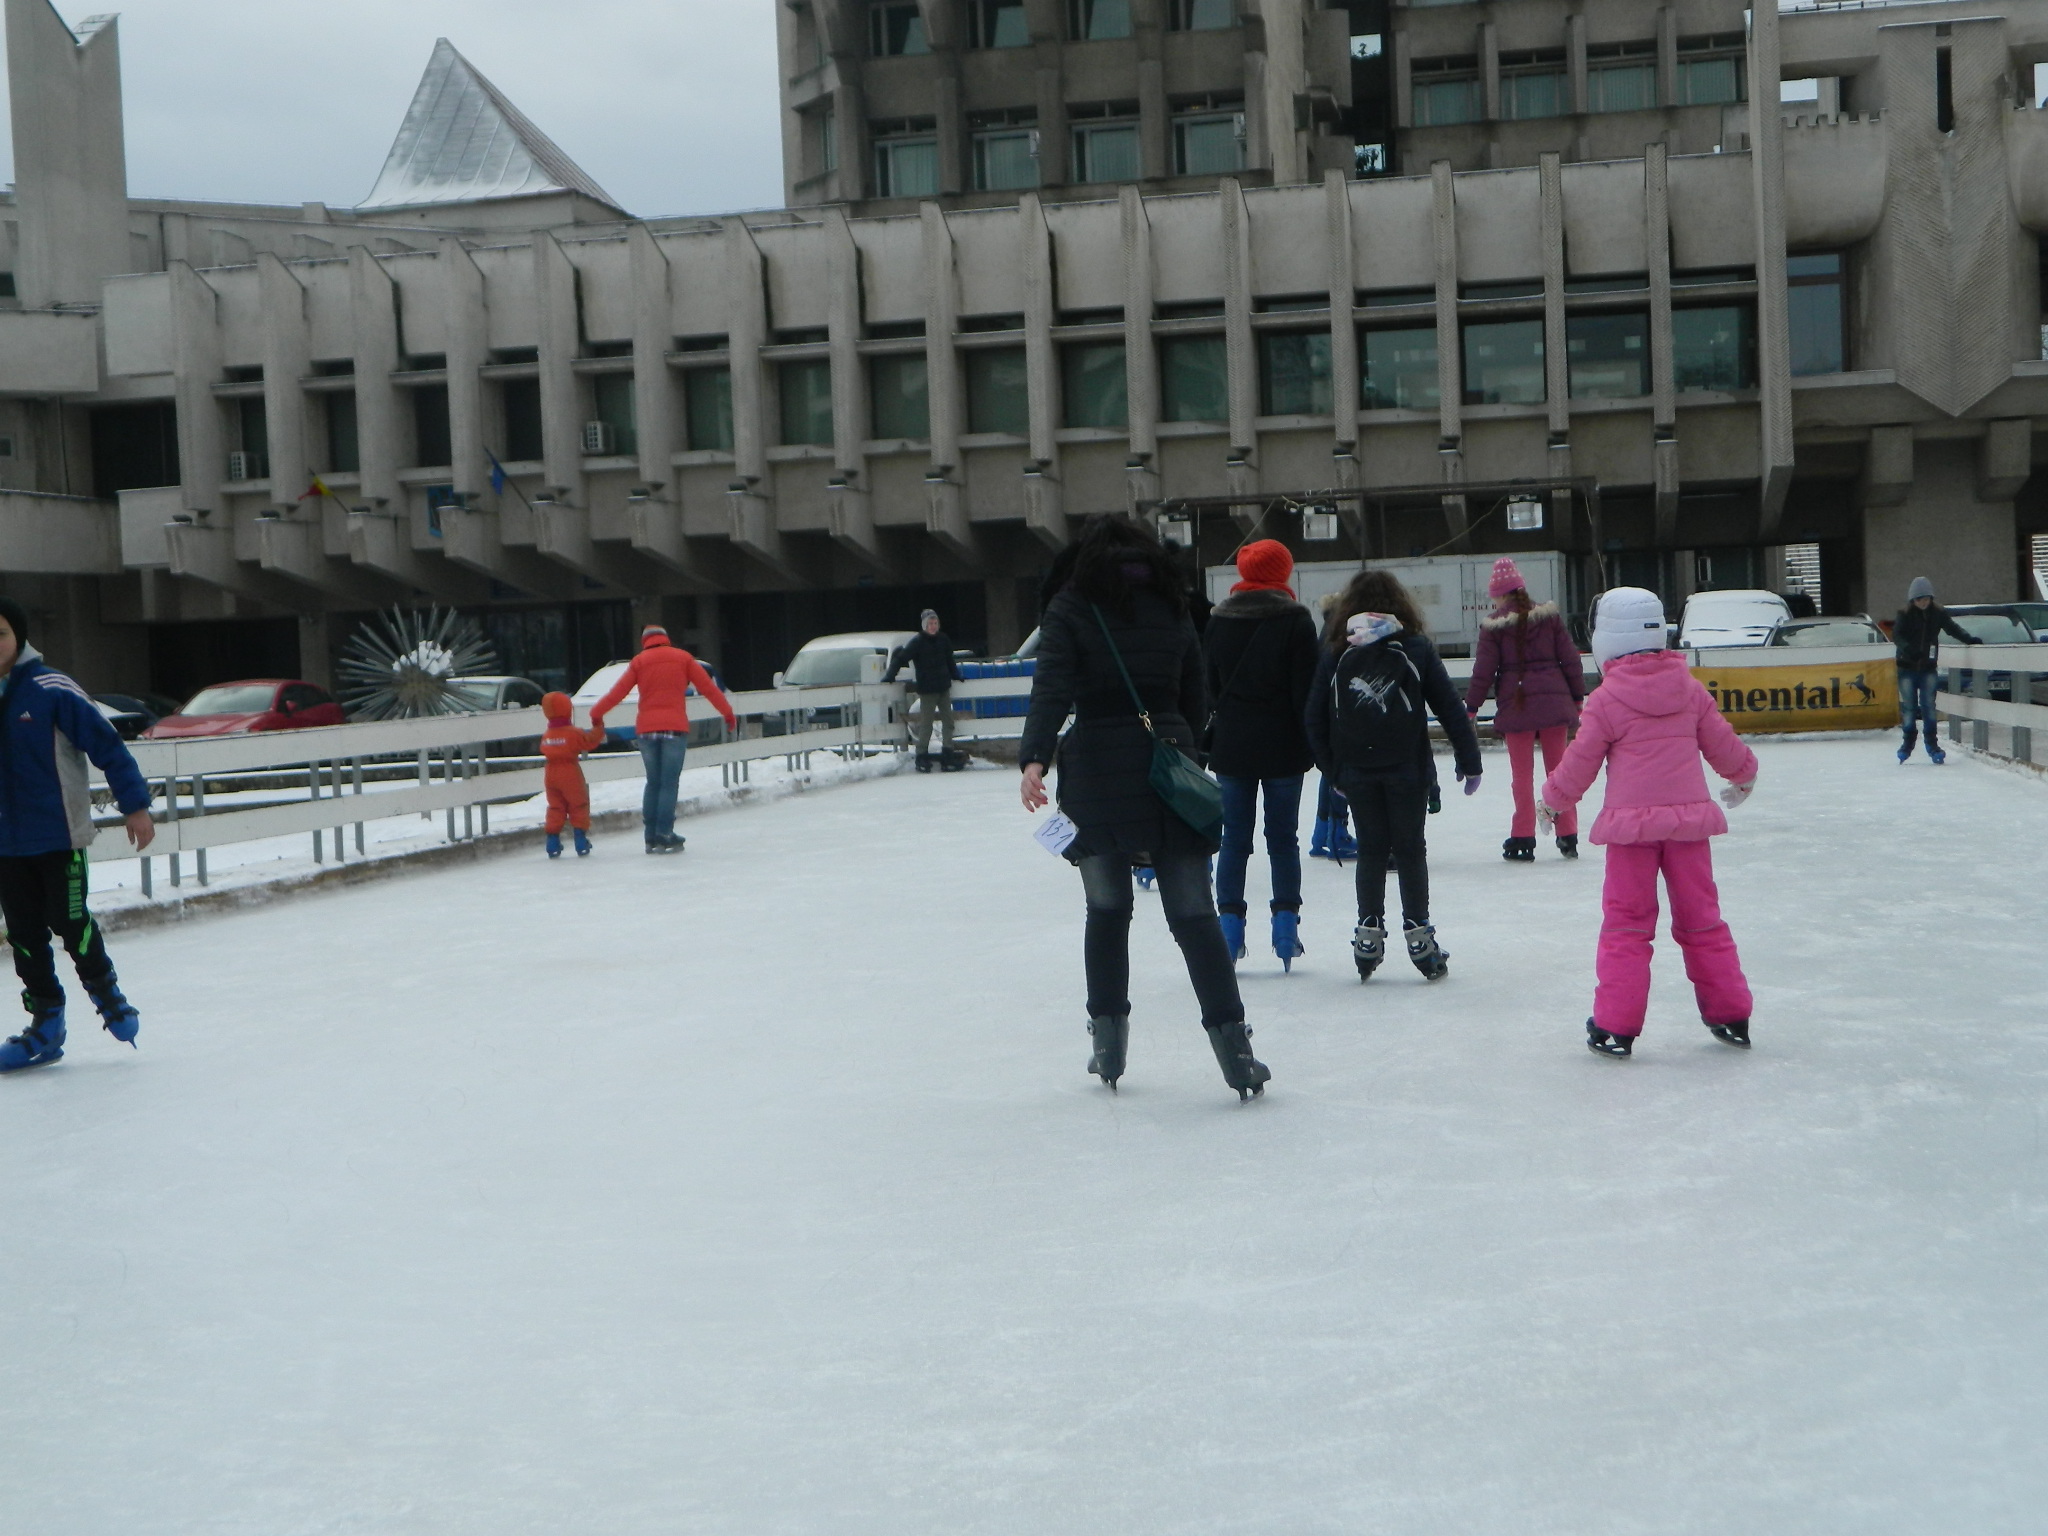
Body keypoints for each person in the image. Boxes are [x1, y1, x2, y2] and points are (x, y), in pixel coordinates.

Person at [1018, 517, 1270, 1100]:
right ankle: (1236, 1053)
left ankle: (1108, 1044)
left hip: (1096, 771)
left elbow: (1051, 686)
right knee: (1193, 914)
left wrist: (1034, 759)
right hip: (1168, 764)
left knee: (1106, 909)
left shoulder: (1071, 605)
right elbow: (1194, 688)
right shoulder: (1171, 602)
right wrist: (1183, 743)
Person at [1537, 587, 1758, 1058]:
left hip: (1631, 833)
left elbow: (1581, 762)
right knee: (1702, 920)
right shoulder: (1689, 689)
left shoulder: (1606, 699)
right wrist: (1744, 773)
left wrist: (1552, 799)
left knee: (1626, 926)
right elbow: (1722, 742)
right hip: (1687, 828)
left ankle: (1616, 1025)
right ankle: (1731, 1012)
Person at [0, 597, 156, 1072]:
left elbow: (107, 745)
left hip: (60, 838)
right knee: (24, 935)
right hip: (7, 845)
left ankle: (107, 996)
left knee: (70, 923)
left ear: (19, 638)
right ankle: (46, 1025)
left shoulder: (53, 689)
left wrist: (135, 806)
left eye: (0, 635)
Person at [1304, 569, 1482, 984]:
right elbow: (1450, 708)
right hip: (1407, 768)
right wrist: (1469, 760)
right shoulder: (1415, 647)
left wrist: (1334, 770)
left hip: (1357, 770)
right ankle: (1419, 935)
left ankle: (1368, 934)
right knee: (1409, 850)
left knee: (1370, 850)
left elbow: (1313, 717)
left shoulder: (1336, 650)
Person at [1201, 539, 1320, 969]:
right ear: (1281, 573)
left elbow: (1210, 685)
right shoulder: (1296, 621)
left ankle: (1229, 929)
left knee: (1233, 840)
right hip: (1284, 746)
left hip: (1232, 745)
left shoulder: (1218, 621)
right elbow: (1306, 694)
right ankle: (1285, 926)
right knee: (1282, 839)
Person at [1464, 557, 1586, 861]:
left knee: (1522, 776)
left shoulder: (1494, 627)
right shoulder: (1549, 618)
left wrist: (1472, 706)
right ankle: (1567, 833)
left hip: (1516, 708)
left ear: (1499, 594)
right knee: (1558, 772)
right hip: (1555, 704)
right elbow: (1570, 658)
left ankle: (1522, 837)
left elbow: (1484, 670)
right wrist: (1576, 696)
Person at [592, 625, 738, 854]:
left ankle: (650, 835)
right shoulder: (683, 659)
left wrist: (596, 713)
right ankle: (664, 832)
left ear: (645, 642)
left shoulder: (639, 662)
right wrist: (728, 713)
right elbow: (709, 688)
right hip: (674, 729)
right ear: (665, 638)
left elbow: (616, 693)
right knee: (669, 783)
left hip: (646, 731)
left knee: (653, 782)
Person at [1891, 575, 1979, 765]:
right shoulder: (1904, 614)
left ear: (1931, 598)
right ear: (1912, 600)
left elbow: (1952, 628)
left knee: (1929, 706)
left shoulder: (1938, 614)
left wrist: (1969, 639)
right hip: (1907, 668)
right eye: (1918, 599)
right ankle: (1908, 743)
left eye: (1926, 598)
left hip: (1928, 668)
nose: (1923, 602)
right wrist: (1909, 651)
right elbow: (1897, 635)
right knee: (1909, 707)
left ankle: (1932, 745)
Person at [885, 610, 966, 772]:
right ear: (924, 626)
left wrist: (956, 675)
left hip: (943, 687)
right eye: (929, 624)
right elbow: (901, 658)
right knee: (926, 724)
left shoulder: (943, 640)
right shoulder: (917, 642)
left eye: (935, 623)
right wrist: (890, 675)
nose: (933, 627)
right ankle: (921, 755)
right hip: (927, 689)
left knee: (948, 722)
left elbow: (950, 660)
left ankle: (947, 753)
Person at [539, 691, 605, 859]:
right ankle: (580, 840)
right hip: (569, 772)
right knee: (578, 804)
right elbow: (590, 740)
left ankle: (552, 842)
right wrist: (598, 726)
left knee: (555, 806)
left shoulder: (547, 735)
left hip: (551, 773)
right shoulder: (572, 733)